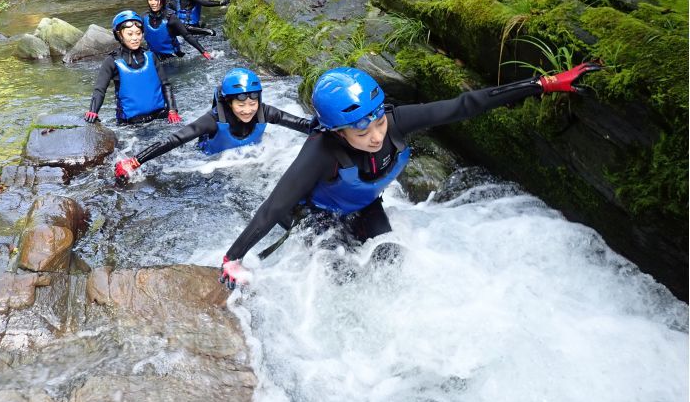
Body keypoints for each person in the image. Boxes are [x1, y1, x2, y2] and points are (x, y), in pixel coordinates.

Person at [218, 63, 602, 289]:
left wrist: (541, 84)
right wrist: (232, 258)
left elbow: (464, 105)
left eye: (378, 121)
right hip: (316, 213)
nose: (376, 135)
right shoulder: (320, 152)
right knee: (339, 272)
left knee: (391, 259)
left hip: (365, 205)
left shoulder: (398, 123)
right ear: (337, 130)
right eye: (360, 130)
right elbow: (274, 207)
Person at [114, 68, 311, 181]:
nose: (248, 109)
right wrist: (135, 160)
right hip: (206, 165)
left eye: (253, 103)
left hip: (247, 162)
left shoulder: (265, 112)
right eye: (241, 104)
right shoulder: (213, 120)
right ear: (229, 102)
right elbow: (175, 140)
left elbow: (302, 124)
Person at [84, 10, 182, 126]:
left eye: (138, 33)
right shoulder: (111, 61)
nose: (135, 38)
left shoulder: (151, 56)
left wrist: (172, 110)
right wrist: (93, 111)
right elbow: (100, 89)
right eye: (130, 34)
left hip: (160, 118)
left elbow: (165, 85)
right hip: (130, 125)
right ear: (119, 35)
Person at [143, 0, 213, 61]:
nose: (152, 3)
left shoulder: (171, 18)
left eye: (156, 0)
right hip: (154, 58)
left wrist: (204, 52)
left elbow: (187, 36)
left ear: (163, 0)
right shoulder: (144, 17)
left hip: (171, 58)